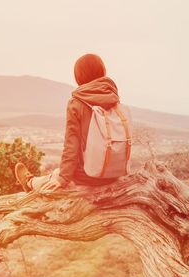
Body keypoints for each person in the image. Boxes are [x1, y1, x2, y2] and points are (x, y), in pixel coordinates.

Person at [15, 53, 122, 193]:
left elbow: (71, 145)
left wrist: (63, 178)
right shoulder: (113, 99)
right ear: (103, 71)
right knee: (60, 172)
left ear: (79, 76)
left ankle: (30, 182)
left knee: (54, 176)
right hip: (113, 174)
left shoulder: (77, 103)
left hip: (89, 176)